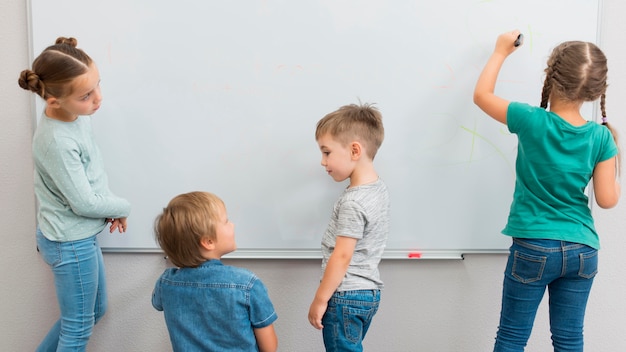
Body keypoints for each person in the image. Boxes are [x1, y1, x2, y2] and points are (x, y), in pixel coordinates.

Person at [474, 30, 621, 352]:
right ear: (597, 92)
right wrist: (614, 154)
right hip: (583, 249)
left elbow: (482, 95)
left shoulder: (531, 119)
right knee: (569, 340)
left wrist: (500, 51)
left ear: (551, 76)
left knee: (512, 337)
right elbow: (608, 200)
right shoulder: (601, 137)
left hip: (534, 246)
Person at [18, 37, 131, 351]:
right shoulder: (56, 141)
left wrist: (107, 205)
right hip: (69, 241)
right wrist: (122, 205)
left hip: (78, 235)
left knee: (94, 311)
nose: (98, 99)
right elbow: (82, 202)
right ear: (53, 100)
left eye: (98, 86)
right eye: (85, 96)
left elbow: (87, 178)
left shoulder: (75, 118)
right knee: (77, 329)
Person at [308, 103, 390, 352]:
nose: (323, 162)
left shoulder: (353, 201)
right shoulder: (378, 189)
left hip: (345, 295)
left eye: (327, 152)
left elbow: (342, 255)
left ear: (355, 150)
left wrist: (320, 300)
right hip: (368, 293)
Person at [152, 191, 278, 352]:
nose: (232, 225)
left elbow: (157, 303)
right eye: (226, 221)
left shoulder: (166, 283)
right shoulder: (247, 284)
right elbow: (270, 348)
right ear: (208, 241)